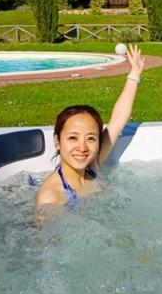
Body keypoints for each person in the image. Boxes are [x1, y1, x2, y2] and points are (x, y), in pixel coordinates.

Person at [35, 44, 145, 208]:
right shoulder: (51, 197)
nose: (82, 147)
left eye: (91, 139)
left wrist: (134, 74)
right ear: (57, 141)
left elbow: (118, 119)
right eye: (73, 138)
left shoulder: (91, 167)